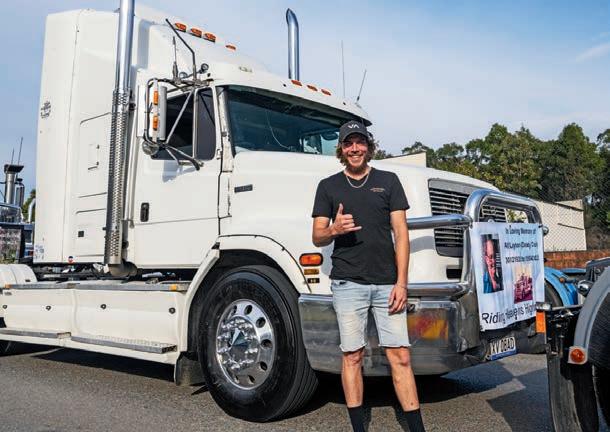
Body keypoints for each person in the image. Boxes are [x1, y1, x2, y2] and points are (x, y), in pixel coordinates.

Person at [311, 120, 425, 432]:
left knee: (400, 356)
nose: (355, 149)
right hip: (348, 284)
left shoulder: (389, 181)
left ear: (368, 146)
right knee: (352, 356)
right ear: (341, 149)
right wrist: (334, 229)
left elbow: (401, 234)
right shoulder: (328, 186)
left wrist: (402, 283)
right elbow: (317, 236)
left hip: (388, 284)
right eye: (349, 143)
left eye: (360, 142)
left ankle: (417, 428)